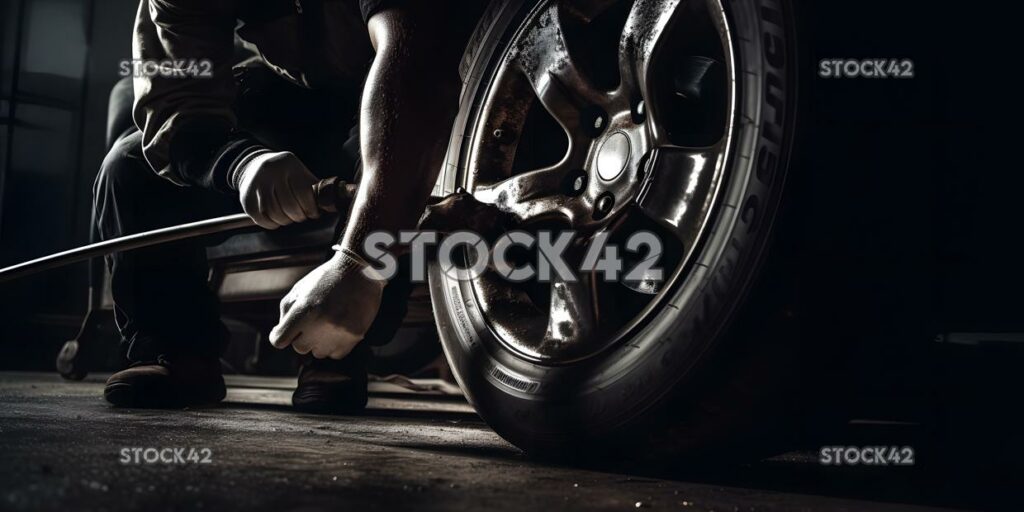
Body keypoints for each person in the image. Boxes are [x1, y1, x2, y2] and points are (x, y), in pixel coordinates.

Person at [99, 0, 480, 413]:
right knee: (131, 164)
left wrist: (360, 264)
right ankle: (176, 351)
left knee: (395, 153)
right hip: (297, 87)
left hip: (405, 84)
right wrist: (241, 164)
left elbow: (418, 68)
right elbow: (177, 101)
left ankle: (334, 355)